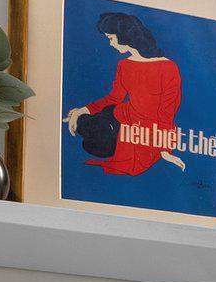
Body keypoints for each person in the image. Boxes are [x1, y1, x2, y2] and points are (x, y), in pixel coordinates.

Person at [64, 11, 184, 176]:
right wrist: (82, 110)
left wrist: (165, 150)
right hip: (120, 117)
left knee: (94, 145)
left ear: (124, 36)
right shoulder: (124, 65)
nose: (111, 43)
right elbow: (114, 98)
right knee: (87, 130)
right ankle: (83, 118)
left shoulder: (168, 68)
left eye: (111, 38)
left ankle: (89, 123)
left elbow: (167, 113)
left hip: (145, 131)